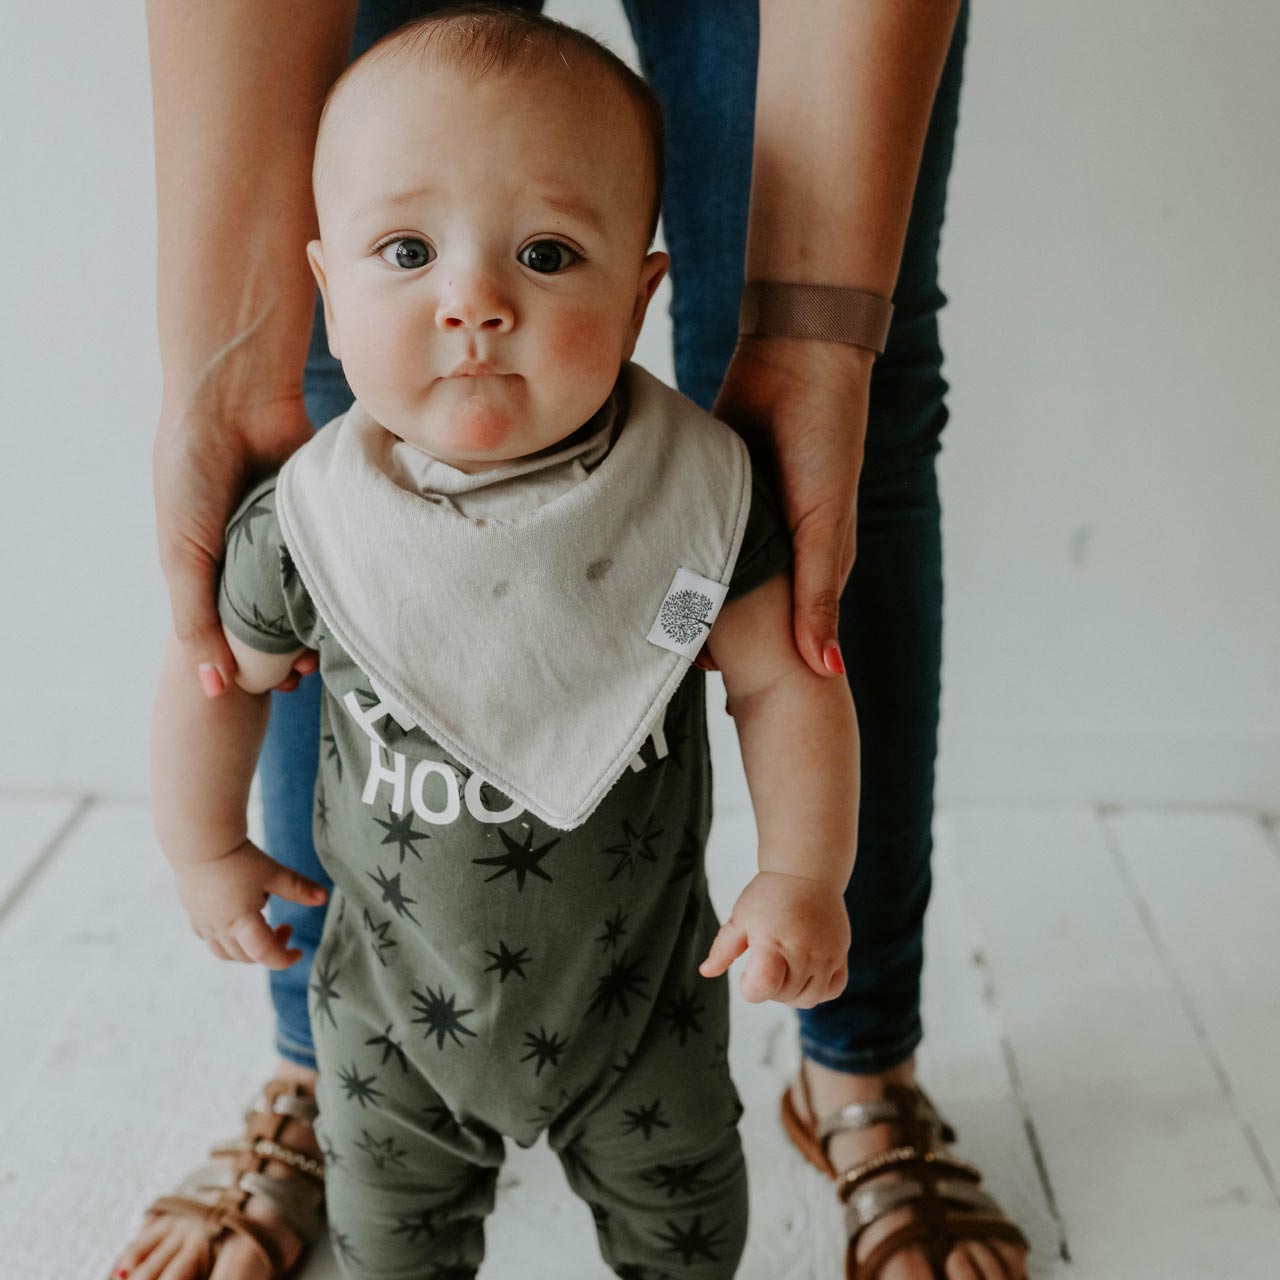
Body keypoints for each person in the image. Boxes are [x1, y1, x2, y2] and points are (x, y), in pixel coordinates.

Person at [120, 1, 1028, 1279]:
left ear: (638, 287)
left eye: (546, 255)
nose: (474, 302)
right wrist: (205, 841)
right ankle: (304, 1078)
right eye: (403, 252)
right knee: (395, 1240)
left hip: (644, 995)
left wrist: (801, 873)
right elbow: (220, 668)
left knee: (834, 427)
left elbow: (782, 677)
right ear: (326, 281)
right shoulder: (309, 523)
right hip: (391, 1005)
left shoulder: (690, 503)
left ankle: (852, 1062)